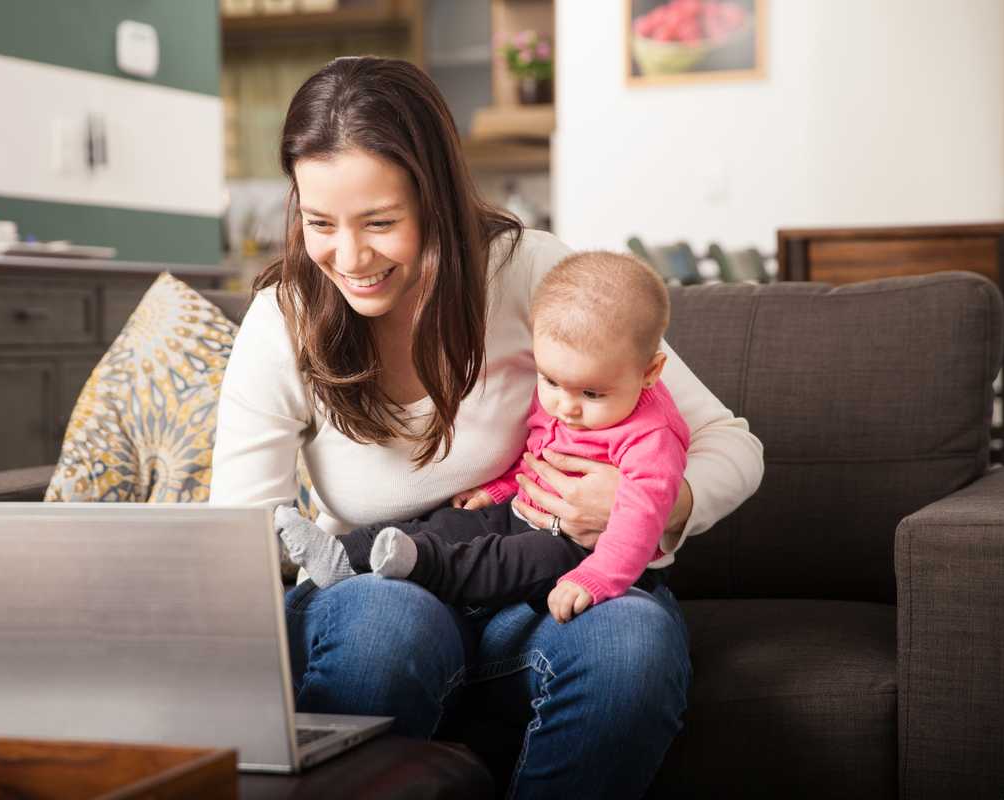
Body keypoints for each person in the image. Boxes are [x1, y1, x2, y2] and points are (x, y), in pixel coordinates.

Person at [210, 56, 763, 798]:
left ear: (435, 198)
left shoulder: (531, 271)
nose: (350, 256)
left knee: (632, 638)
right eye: (320, 223)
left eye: (381, 222)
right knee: (383, 623)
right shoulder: (287, 322)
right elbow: (239, 541)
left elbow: (732, 443)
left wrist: (656, 503)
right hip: (382, 596)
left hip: (537, 593)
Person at [274, 250, 690, 626]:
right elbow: (539, 454)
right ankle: (343, 553)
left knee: (510, 560)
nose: (567, 407)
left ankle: (419, 565)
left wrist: (598, 577)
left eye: (592, 394)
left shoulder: (652, 437)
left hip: (583, 550)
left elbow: (641, 520)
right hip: (522, 509)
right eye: (551, 381)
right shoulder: (569, 388)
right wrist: (501, 487)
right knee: (445, 523)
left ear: (650, 372)